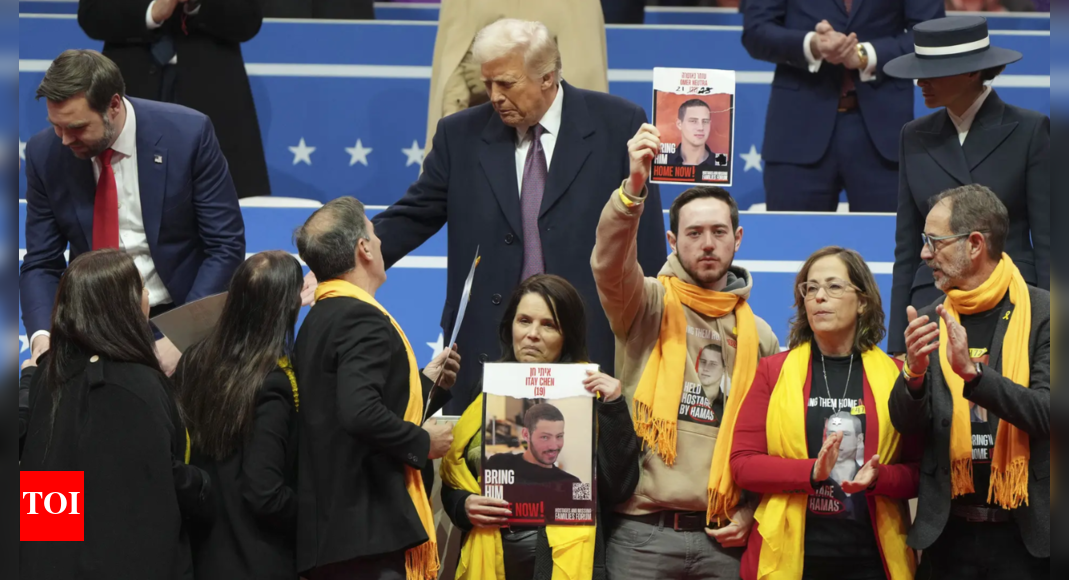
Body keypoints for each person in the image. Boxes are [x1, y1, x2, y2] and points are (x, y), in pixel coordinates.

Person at [373, 19, 666, 413]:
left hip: (587, 341)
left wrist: (655, 325)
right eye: (488, 82)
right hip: (486, 346)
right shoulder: (459, 135)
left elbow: (642, 238)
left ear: (547, 77)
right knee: (486, 469)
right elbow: (414, 214)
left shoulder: (618, 125)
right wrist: (344, 261)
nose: (493, 96)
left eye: (506, 84)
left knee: (579, 466)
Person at [592, 124, 781, 579]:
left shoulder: (762, 336)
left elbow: (774, 440)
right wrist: (633, 191)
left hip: (724, 535)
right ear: (673, 241)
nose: (709, 243)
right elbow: (610, 263)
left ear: (739, 238)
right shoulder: (647, 303)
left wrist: (751, 512)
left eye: (719, 231)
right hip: (643, 534)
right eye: (694, 233)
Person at [20, 50, 246, 377]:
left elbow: (225, 246)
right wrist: (43, 339)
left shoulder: (187, 135)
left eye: (77, 127)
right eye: (56, 126)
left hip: (177, 311)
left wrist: (182, 336)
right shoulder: (45, 153)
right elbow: (41, 261)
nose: (65, 139)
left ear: (113, 105)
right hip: (92, 322)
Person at [293, 197, 462, 580]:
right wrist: (422, 442)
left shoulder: (321, 316)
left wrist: (425, 384)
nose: (382, 241)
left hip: (337, 538)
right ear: (363, 248)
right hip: (367, 538)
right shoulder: (360, 318)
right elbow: (359, 412)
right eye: (374, 231)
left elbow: (346, 411)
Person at [20, 249, 211, 580]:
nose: (148, 295)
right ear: (125, 306)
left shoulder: (48, 375)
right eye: (141, 287)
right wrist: (204, 486)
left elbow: (49, 497)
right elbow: (160, 483)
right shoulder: (138, 384)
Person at [731, 246, 920, 580]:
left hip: (872, 559)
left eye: (834, 287)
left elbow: (921, 471)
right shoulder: (772, 371)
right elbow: (743, 464)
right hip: (790, 558)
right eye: (811, 288)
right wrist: (810, 472)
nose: (819, 297)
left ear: (862, 301)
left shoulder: (895, 376)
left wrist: (879, 478)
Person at [890, 185, 1050, 579]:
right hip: (948, 537)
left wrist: (973, 375)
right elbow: (905, 426)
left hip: (1027, 539)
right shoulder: (929, 316)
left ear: (975, 243)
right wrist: (912, 374)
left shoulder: (1046, 313)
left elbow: (1049, 413)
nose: (925, 253)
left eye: (935, 241)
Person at [440, 274, 641, 580]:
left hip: (563, 559)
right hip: (493, 555)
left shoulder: (590, 392)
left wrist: (613, 406)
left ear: (567, 335)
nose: (532, 334)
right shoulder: (488, 388)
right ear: (511, 326)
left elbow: (619, 489)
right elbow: (456, 478)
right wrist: (462, 506)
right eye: (524, 320)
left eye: (549, 325)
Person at [884, 15, 1049, 355]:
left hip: (1012, 300)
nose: (919, 82)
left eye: (931, 72)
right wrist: (899, 342)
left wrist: (1052, 326)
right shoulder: (912, 135)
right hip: (933, 304)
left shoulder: (1030, 130)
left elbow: (1049, 243)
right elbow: (905, 248)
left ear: (973, 71)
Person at [741, 0, 945, 212]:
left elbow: (931, 33)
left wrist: (865, 55)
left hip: (884, 133)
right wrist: (813, 44)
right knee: (793, 239)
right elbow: (756, 31)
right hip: (797, 130)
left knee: (884, 241)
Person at [175, 251, 305, 580]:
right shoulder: (271, 383)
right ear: (286, 311)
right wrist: (317, 513)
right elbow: (265, 493)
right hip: (259, 561)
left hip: (199, 556)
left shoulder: (193, 361)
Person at [77, 0, 270, 198]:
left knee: (222, 209)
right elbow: (91, 14)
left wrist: (198, 5)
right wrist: (152, 12)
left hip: (215, 95)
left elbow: (249, 19)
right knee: (124, 203)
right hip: (131, 91)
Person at [425, 0, 609, 150]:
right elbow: (455, 64)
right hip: (487, 132)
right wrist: (451, 148)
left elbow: (584, 75)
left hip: (559, 130)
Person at [484, 403, 583, 486]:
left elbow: (589, 508)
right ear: (526, 435)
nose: (554, 446)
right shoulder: (498, 464)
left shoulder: (574, 484)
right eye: (545, 437)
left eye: (559, 436)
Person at [667, 100, 726, 169]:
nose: (701, 128)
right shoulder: (665, 162)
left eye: (705, 121)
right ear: (679, 124)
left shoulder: (723, 164)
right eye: (693, 121)